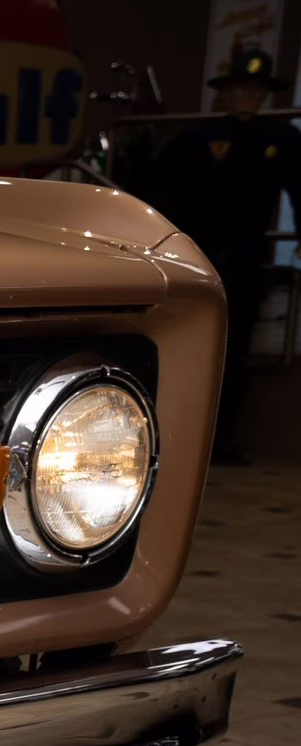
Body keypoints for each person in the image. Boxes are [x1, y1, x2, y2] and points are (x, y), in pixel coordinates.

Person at [151, 48, 301, 464]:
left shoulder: (283, 139)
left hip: (245, 257)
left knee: (235, 353)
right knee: (185, 345)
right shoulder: (196, 137)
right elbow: (160, 193)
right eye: (241, 87)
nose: (248, 96)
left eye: (256, 88)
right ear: (226, 92)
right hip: (194, 259)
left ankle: (223, 442)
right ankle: (173, 438)